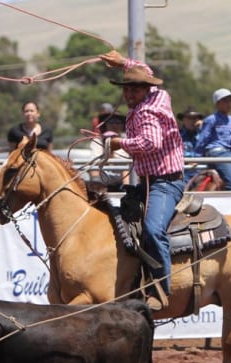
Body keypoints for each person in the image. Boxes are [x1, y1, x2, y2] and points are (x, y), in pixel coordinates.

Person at [98, 49, 185, 311]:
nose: (129, 94)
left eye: (135, 90)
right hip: (151, 182)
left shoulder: (146, 112)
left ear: (146, 89)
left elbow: (151, 143)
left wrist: (118, 143)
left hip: (165, 183)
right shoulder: (160, 95)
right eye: (126, 89)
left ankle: (160, 289)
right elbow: (144, 70)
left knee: (152, 230)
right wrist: (122, 62)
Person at [193, 88, 231, 190]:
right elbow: (203, 139)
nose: (229, 104)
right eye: (225, 101)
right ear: (217, 104)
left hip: (229, 153)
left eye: (230, 101)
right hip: (216, 153)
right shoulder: (211, 120)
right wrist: (196, 157)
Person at [88, 110, 128, 184]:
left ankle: (126, 189)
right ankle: (97, 187)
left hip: (123, 180)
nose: (114, 125)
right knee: (93, 167)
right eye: (111, 122)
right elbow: (94, 164)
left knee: (127, 167)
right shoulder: (98, 141)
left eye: (118, 122)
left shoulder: (127, 140)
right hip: (103, 181)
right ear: (105, 124)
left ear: (123, 125)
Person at [177, 105, 204, 179]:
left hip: (201, 172)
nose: (192, 121)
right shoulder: (177, 136)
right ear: (183, 120)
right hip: (184, 173)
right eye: (189, 118)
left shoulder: (204, 135)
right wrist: (188, 161)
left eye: (195, 118)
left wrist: (204, 128)